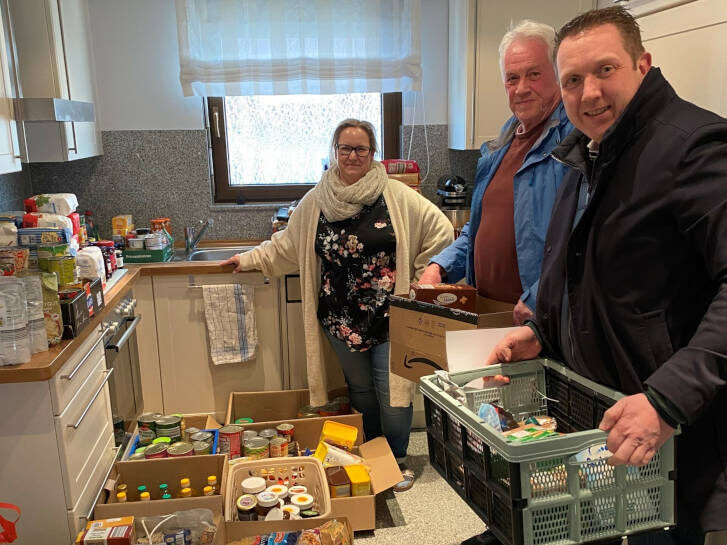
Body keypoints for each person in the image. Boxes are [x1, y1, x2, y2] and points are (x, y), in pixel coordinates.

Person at [486, 7, 727, 544]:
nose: (589, 92)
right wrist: (541, 333)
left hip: (667, 434)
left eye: (605, 70)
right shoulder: (586, 155)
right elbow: (586, 277)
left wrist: (666, 401)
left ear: (642, 64)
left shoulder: (693, 146)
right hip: (603, 422)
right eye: (573, 79)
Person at [222, 119, 453, 491]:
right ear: (334, 152)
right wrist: (247, 260)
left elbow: (440, 229)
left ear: (373, 154)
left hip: (390, 316)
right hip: (339, 319)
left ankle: (395, 459)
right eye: (345, 148)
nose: (352, 156)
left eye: (361, 149)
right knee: (360, 390)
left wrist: (425, 276)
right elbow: (285, 247)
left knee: (394, 392)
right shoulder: (316, 200)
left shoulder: (395, 194)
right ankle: (373, 454)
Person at [419, 20, 573, 328]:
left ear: (557, 72)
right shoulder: (505, 140)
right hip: (490, 311)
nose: (522, 88)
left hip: (539, 318)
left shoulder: (573, 141)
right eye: (512, 78)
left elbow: (579, 240)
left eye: (534, 74)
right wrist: (440, 265)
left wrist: (536, 296)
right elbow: (477, 229)